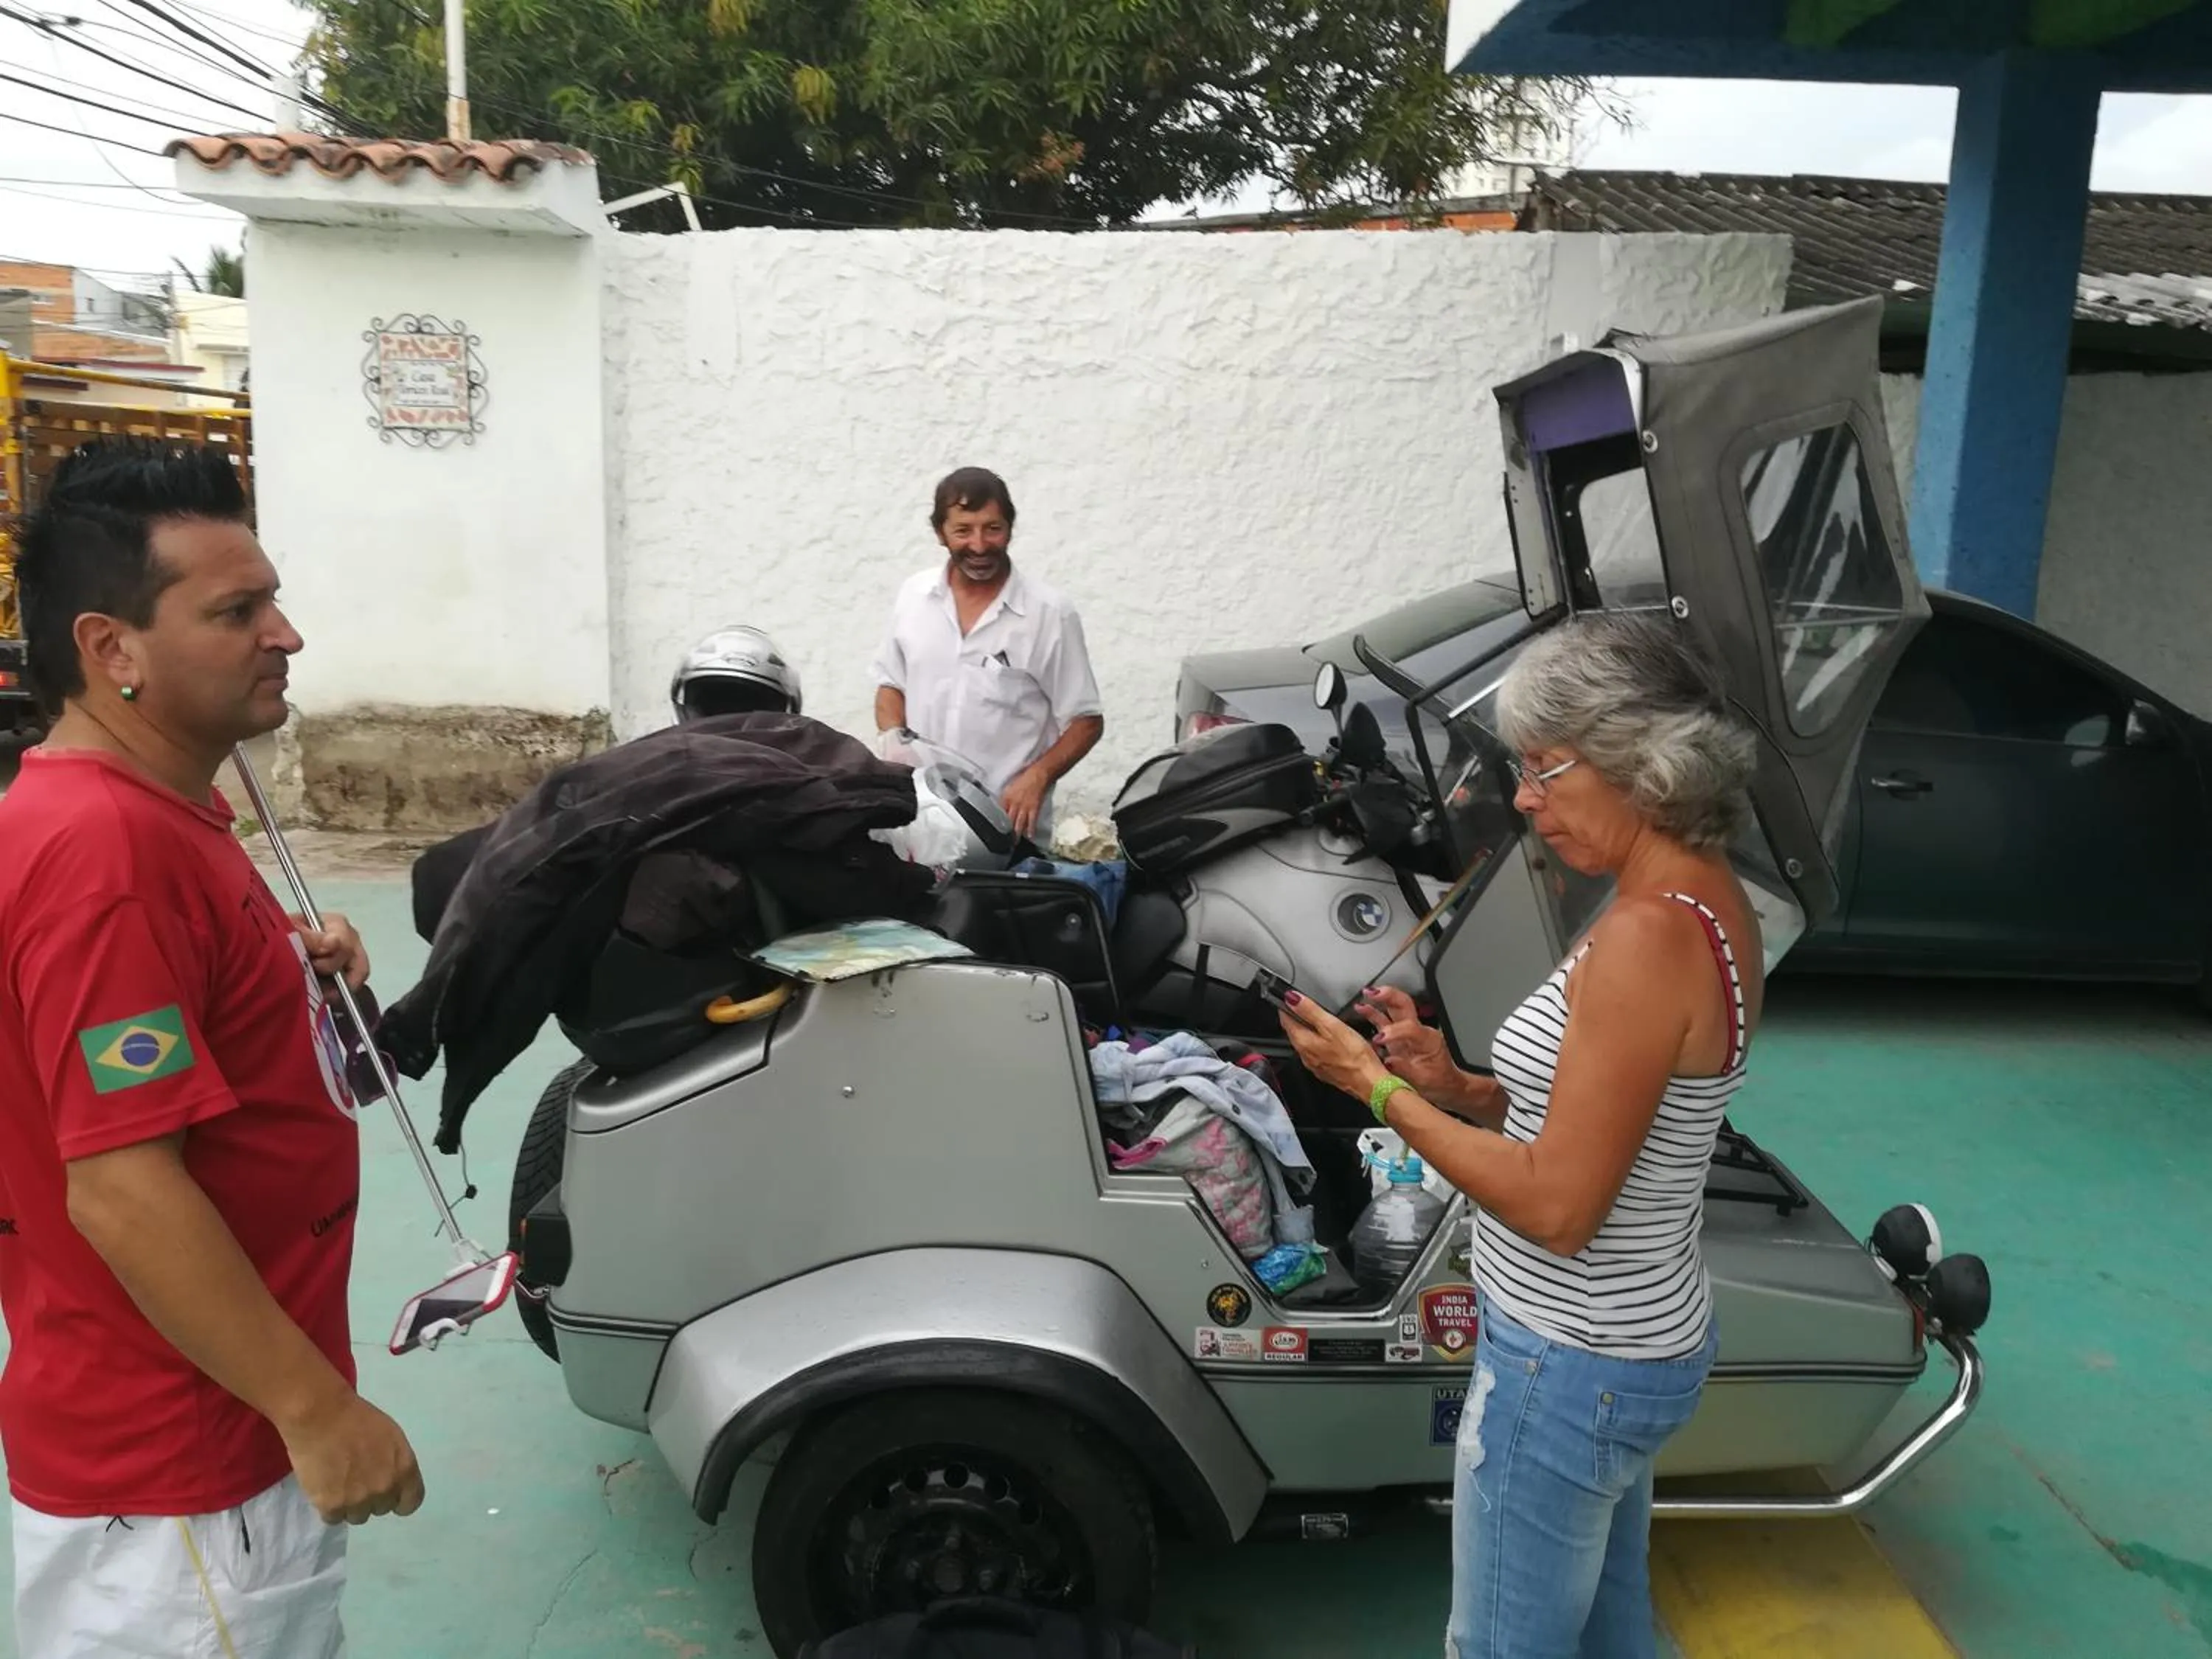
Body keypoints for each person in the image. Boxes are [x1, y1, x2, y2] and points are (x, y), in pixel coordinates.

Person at [0, 437, 422, 1658]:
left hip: (193, 1449)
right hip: (186, 1479)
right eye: (237, 612)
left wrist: (290, 978)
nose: (285, 634)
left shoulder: (159, 816)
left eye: (271, 601)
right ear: (112, 648)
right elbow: (123, 1187)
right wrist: (315, 1408)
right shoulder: (106, 855)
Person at [1275, 612, 1764, 1659]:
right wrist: (1454, 1086)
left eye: (1544, 769)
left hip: (1569, 1358)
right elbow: (1609, 1117)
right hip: (1635, 1339)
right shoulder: (1705, 899)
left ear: (1640, 759)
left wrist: (1370, 1086)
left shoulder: (1645, 935)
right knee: (1608, 1629)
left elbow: (1558, 1205)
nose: (1526, 798)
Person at [870, 467, 1104, 845]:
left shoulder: (1049, 613)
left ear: (1010, 528)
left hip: (1007, 832)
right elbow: (890, 686)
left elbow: (1086, 722)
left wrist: (1037, 777)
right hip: (920, 823)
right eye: (963, 530)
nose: (979, 546)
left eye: (992, 528)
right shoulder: (914, 595)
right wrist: (895, 746)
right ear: (940, 533)